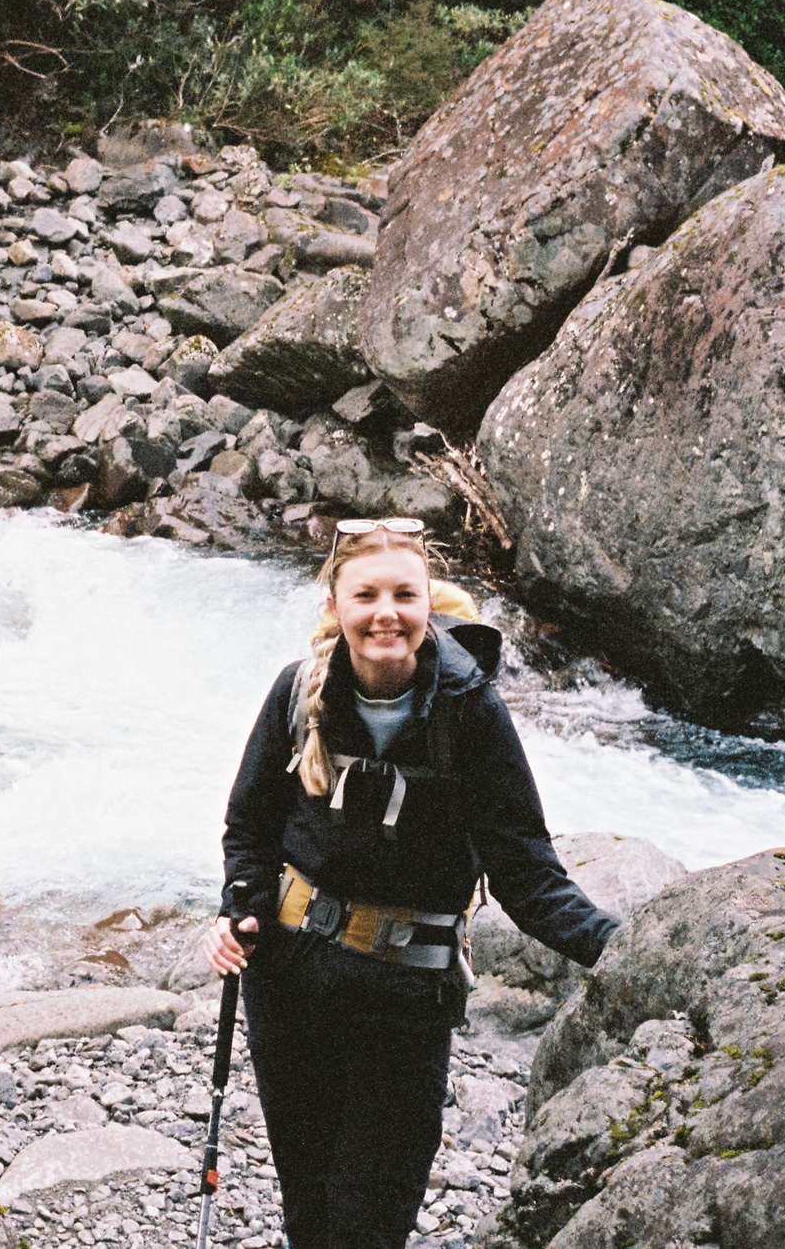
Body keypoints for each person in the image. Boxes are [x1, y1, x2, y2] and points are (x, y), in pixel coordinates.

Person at [201, 517, 618, 1249]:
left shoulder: (470, 711)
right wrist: (241, 910)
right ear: (336, 604)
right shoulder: (297, 693)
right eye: (366, 594)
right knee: (311, 1209)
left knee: (371, 1219)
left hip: (403, 1001)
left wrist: (620, 946)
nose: (385, 611)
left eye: (404, 593)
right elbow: (250, 825)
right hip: (289, 987)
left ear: (431, 603)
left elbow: (524, 868)